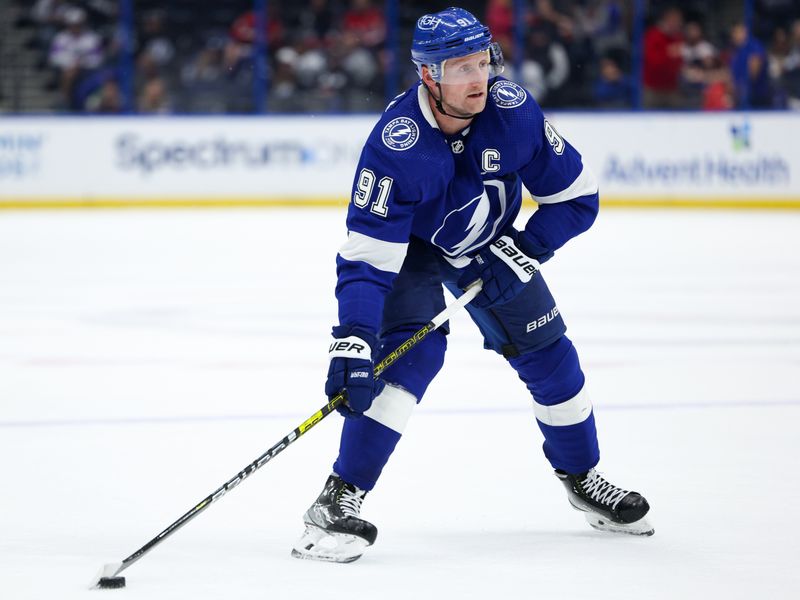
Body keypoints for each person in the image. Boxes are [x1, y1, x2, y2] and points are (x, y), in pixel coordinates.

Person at [292, 7, 653, 564]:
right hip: (412, 256)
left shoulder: (513, 114)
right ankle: (339, 498)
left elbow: (578, 197)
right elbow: (366, 259)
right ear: (428, 76)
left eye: (482, 62)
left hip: (490, 244)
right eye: (460, 67)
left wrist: (528, 246)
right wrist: (354, 338)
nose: (478, 78)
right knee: (410, 359)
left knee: (552, 358)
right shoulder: (395, 146)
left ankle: (583, 478)